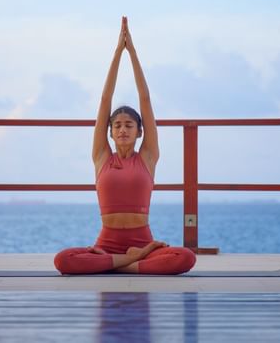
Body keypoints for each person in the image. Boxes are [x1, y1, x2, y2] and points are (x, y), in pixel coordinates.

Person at [54, 17, 196, 275]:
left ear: (140, 132)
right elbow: (105, 99)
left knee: (185, 257)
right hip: (106, 244)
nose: (122, 129)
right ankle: (135, 262)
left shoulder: (148, 157)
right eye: (117, 125)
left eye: (129, 125)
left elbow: (145, 99)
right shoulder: (101, 156)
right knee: (63, 260)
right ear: (109, 131)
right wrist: (117, 51)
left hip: (142, 240)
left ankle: (121, 265)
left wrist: (132, 52)